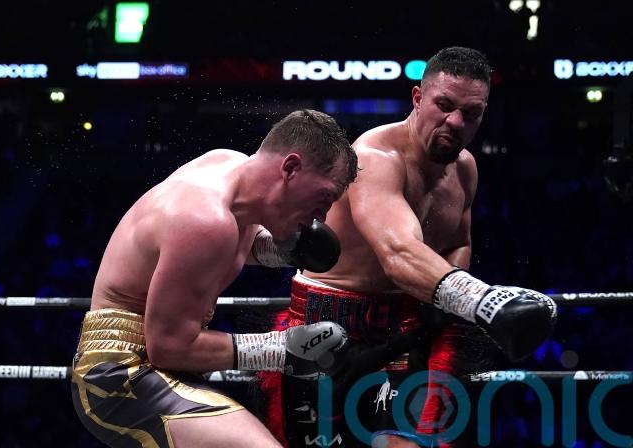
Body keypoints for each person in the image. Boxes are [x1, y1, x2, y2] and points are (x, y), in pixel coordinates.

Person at [260, 47, 557, 448]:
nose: (456, 122)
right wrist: (484, 301)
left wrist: (445, 301)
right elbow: (398, 252)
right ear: (418, 98)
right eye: (444, 106)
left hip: (403, 331)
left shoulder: (465, 168)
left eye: (471, 113)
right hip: (324, 330)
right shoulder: (374, 157)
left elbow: (458, 243)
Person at [70, 109, 360, 448]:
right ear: (290, 168)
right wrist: (278, 349)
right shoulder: (205, 220)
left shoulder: (226, 167)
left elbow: (219, 247)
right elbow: (168, 347)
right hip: (121, 375)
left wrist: (278, 250)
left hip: (151, 366)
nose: (321, 216)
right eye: (324, 198)